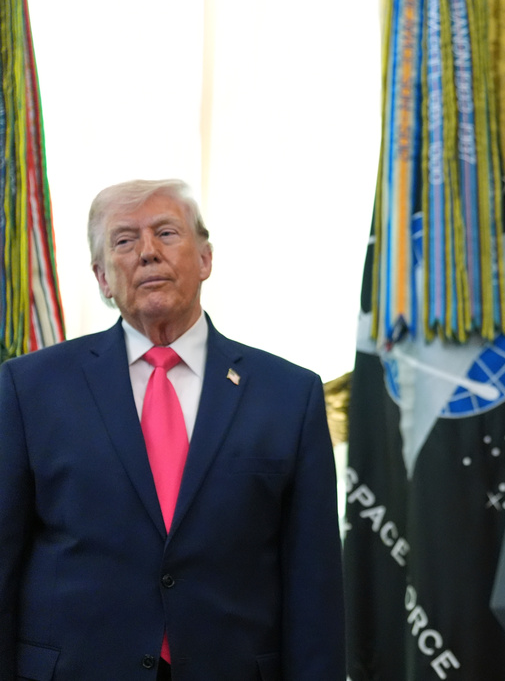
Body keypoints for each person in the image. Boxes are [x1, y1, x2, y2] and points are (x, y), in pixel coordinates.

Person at [0, 180, 346, 680]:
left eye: (166, 233)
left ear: (205, 259)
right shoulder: (29, 387)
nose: (147, 253)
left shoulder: (290, 395)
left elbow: (314, 586)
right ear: (101, 276)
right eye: (124, 240)